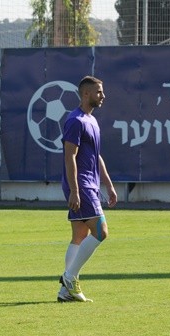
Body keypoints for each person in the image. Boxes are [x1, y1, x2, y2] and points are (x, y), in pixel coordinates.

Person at [57, 76, 117, 303]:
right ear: (86, 94)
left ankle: (65, 292)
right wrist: (74, 190)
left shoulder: (91, 120)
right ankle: (69, 277)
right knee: (101, 231)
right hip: (81, 185)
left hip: (89, 184)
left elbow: (96, 156)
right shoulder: (75, 121)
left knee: (80, 236)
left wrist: (108, 184)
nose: (103, 96)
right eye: (99, 92)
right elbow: (69, 156)